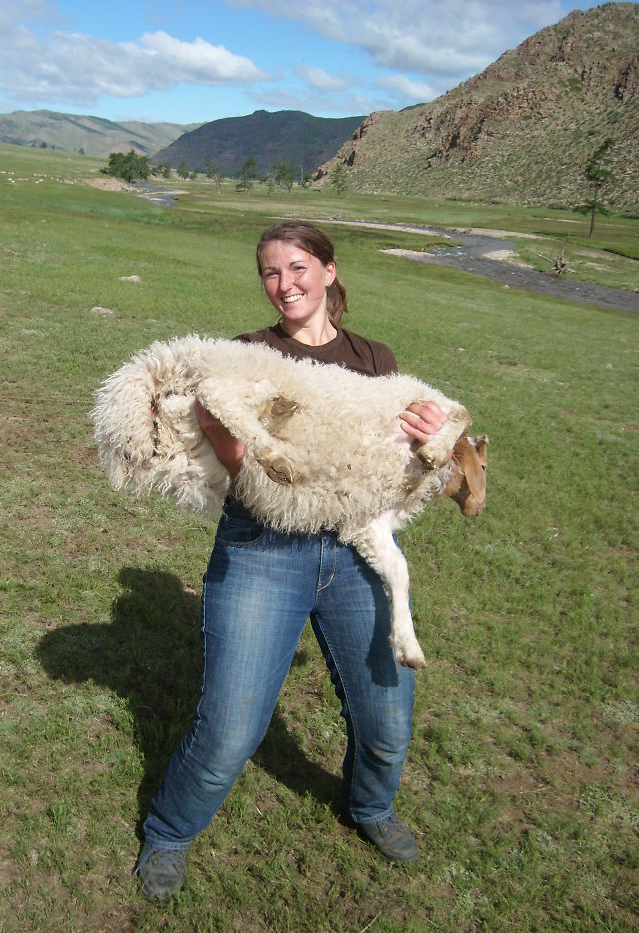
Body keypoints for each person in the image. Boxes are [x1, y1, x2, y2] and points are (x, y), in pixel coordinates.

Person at [135, 220, 450, 901]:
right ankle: (168, 830)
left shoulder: (376, 359)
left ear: (329, 272)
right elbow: (242, 468)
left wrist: (428, 445)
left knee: (388, 722)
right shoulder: (249, 353)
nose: (286, 284)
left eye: (299, 267)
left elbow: (391, 476)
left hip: (354, 549)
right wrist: (226, 435)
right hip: (262, 550)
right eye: (271, 273)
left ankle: (369, 806)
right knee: (229, 730)